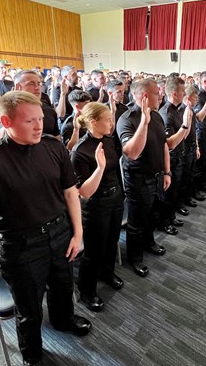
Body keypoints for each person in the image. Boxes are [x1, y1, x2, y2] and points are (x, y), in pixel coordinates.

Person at [0, 91, 91, 366]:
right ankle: (32, 355)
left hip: (60, 232)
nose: (38, 126)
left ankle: (63, 320)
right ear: (6, 122)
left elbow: (70, 192)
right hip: (21, 246)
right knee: (29, 309)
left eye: (40, 119)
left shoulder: (52, 146)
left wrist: (77, 233)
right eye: (29, 121)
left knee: (62, 287)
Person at [71, 103, 124, 312]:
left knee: (112, 241)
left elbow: (115, 169)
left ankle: (107, 273)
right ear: (93, 122)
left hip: (115, 198)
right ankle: (87, 291)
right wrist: (100, 168)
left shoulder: (108, 140)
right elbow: (84, 191)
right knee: (94, 250)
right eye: (108, 119)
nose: (112, 123)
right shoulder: (80, 151)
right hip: (96, 204)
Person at [117, 78, 171, 278]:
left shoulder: (156, 115)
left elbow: (164, 145)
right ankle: (135, 258)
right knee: (137, 222)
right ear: (146, 96)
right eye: (157, 93)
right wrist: (144, 123)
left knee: (152, 215)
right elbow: (131, 152)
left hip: (156, 176)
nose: (161, 95)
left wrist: (167, 172)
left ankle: (149, 242)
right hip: (138, 180)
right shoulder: (127, 119)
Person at [158, 77, 192, 234]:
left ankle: (171, 216)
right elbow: (170, 143)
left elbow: (183, 136)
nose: (185, 93)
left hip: (180, 156)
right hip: (170, 159)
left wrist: (187, 120)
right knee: (167, 193)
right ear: (174, 93)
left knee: (175, 191)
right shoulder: (165, 113)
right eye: (182, 91)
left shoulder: (178, 109)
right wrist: (185, 124)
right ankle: (164, 222)